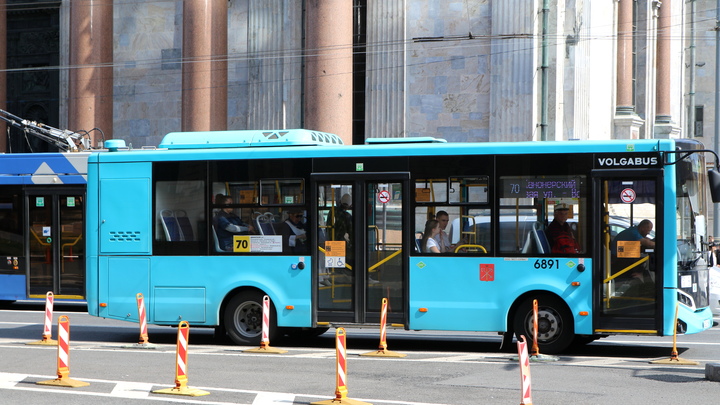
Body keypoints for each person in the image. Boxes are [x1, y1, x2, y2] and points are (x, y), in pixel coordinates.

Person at [611, 219, 655, 295]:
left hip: (620, 257)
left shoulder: (634, 231)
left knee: (641, 259)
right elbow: (646, 243)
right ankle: (638, 276)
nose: (648, 233)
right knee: (643, 262)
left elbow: (646, 239)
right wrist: (661, 244)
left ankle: (639, 277)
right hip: (618, 259)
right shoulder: (633, 233)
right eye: (648, 231)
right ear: (642, 228)